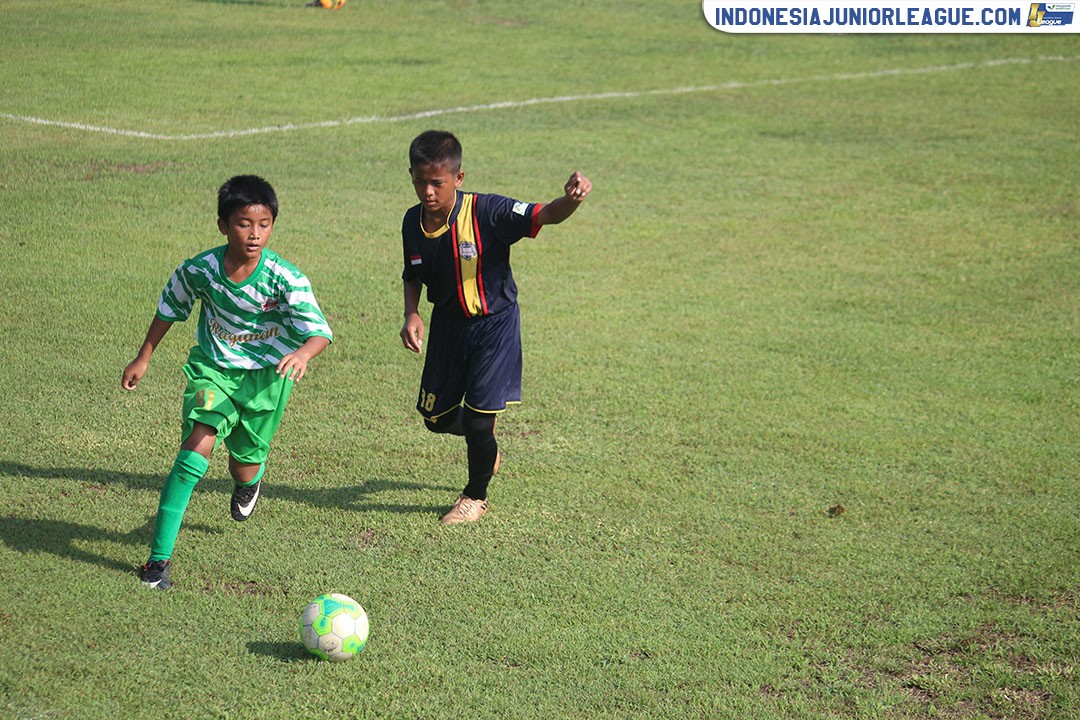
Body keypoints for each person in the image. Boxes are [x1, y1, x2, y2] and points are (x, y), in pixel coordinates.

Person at [121, 175, 333, 589]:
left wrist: (303, 354)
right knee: (195, 449)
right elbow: (170, 309)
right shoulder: (200, 270)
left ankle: (248, 482)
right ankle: (158, 561)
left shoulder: (286, 278)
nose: (254, 234)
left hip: (268, 379)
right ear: (223, 225)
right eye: (243, 223)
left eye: (264, 224)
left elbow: (319, 331)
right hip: (213, 369)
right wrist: (143, 356)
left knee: (244, 461)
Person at [399, 130, 592, 525]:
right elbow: (412, 272)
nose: (428, 191)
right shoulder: (411, 221)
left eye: (437, 183)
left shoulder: (488, 212)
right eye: (421, 181)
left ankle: (475, 496)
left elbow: (545, 214)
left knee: (478, 418)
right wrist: (412, 314)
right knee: (435, 418)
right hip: (449, 327)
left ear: (459, 178)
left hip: (495, 327)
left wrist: (570, 200)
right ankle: (484, 445)